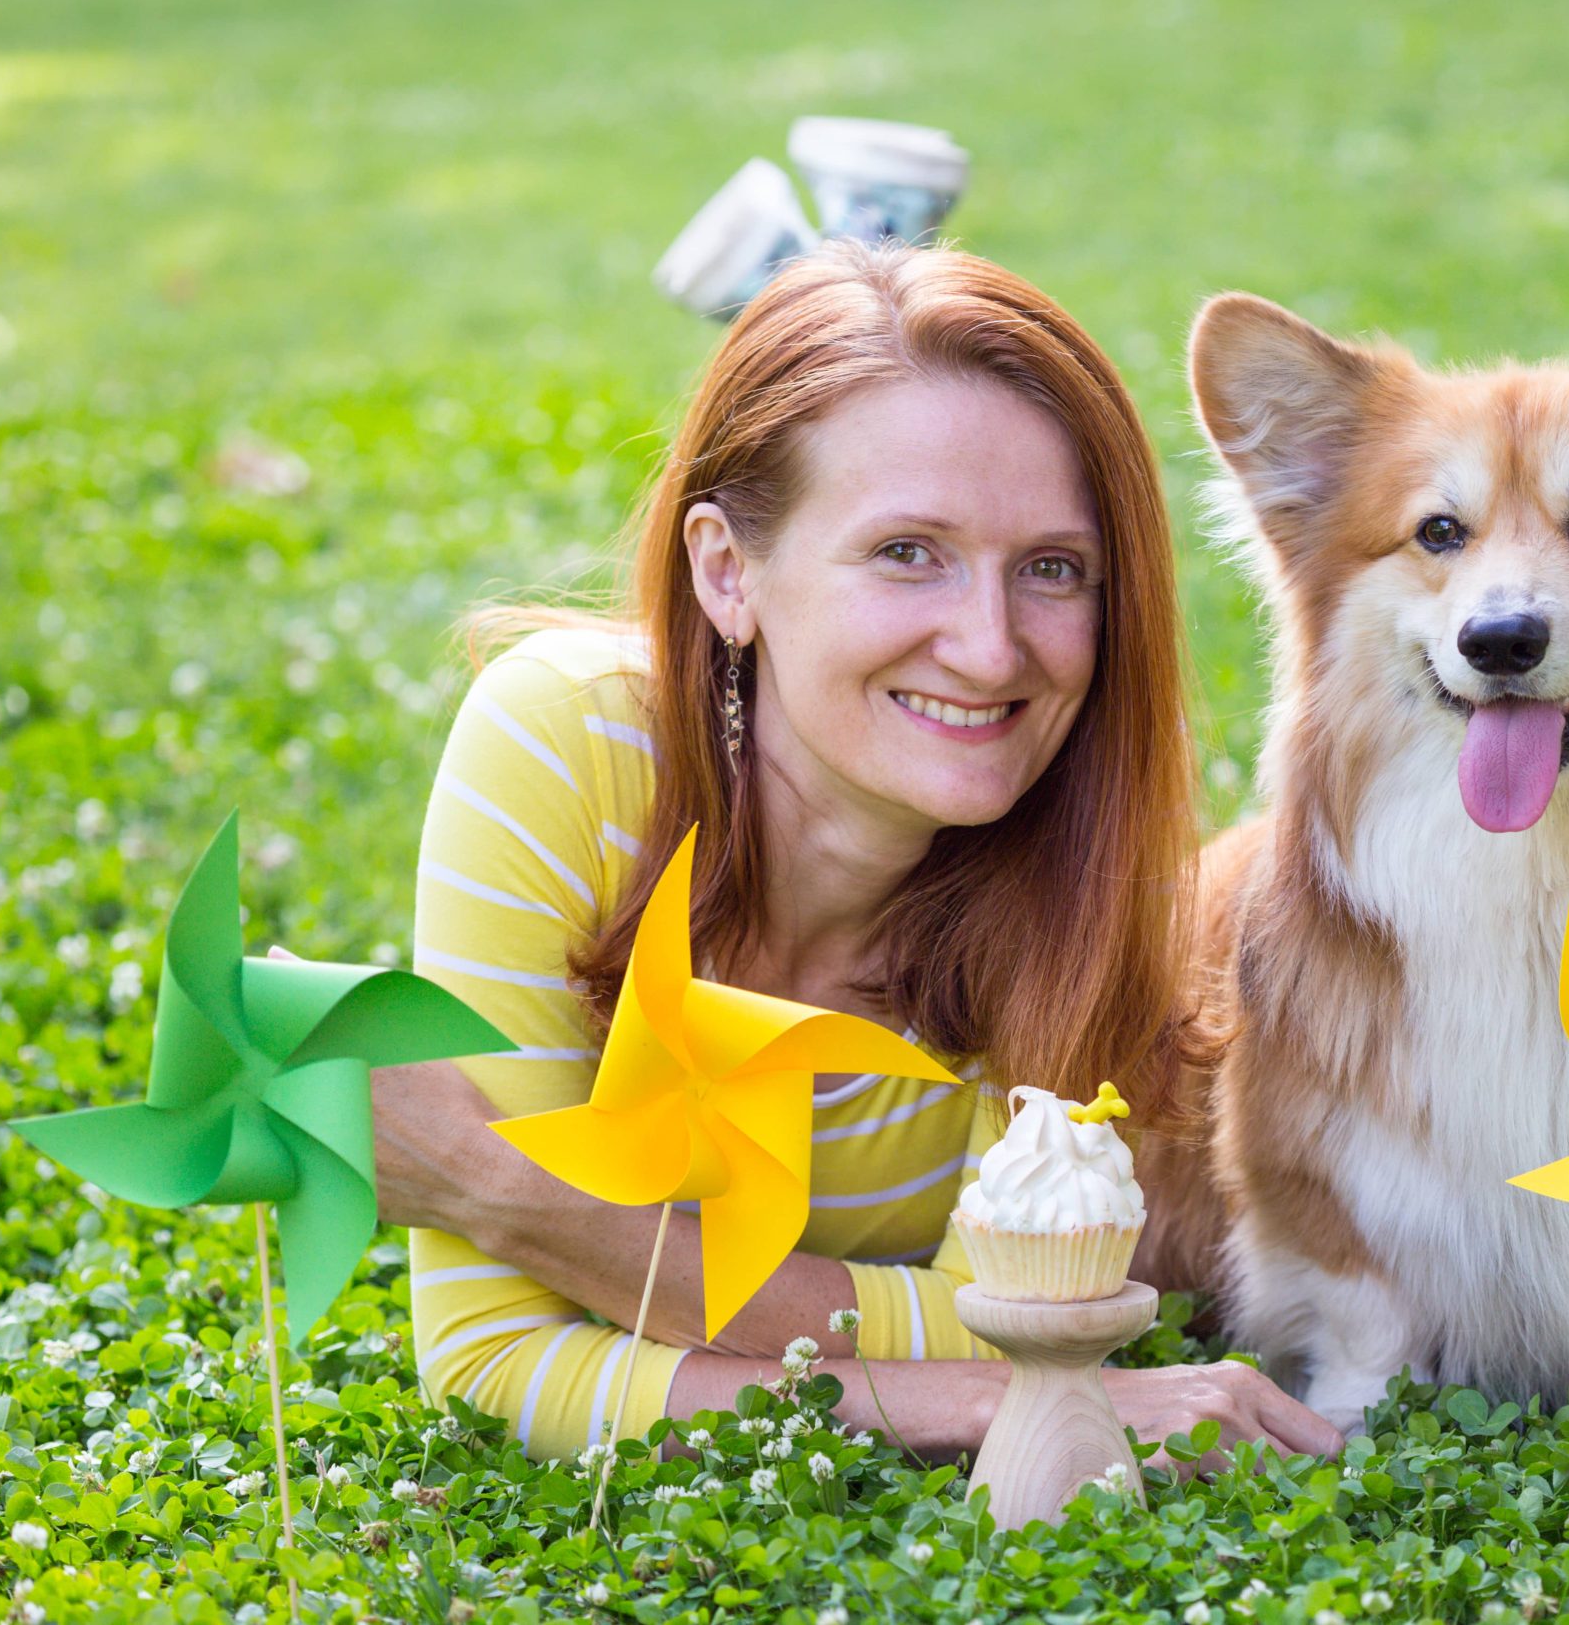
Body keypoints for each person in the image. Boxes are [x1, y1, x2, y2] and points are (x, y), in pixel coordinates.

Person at [375, 239, 1341, 1465]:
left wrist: (500, 1194)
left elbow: (1010, 1326)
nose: (991, 651)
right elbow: (496, 1363)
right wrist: (981, 1393)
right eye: (907, 553)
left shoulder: (1092, 884)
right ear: (729, 572)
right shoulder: (566, 743)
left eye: (1052, 570)